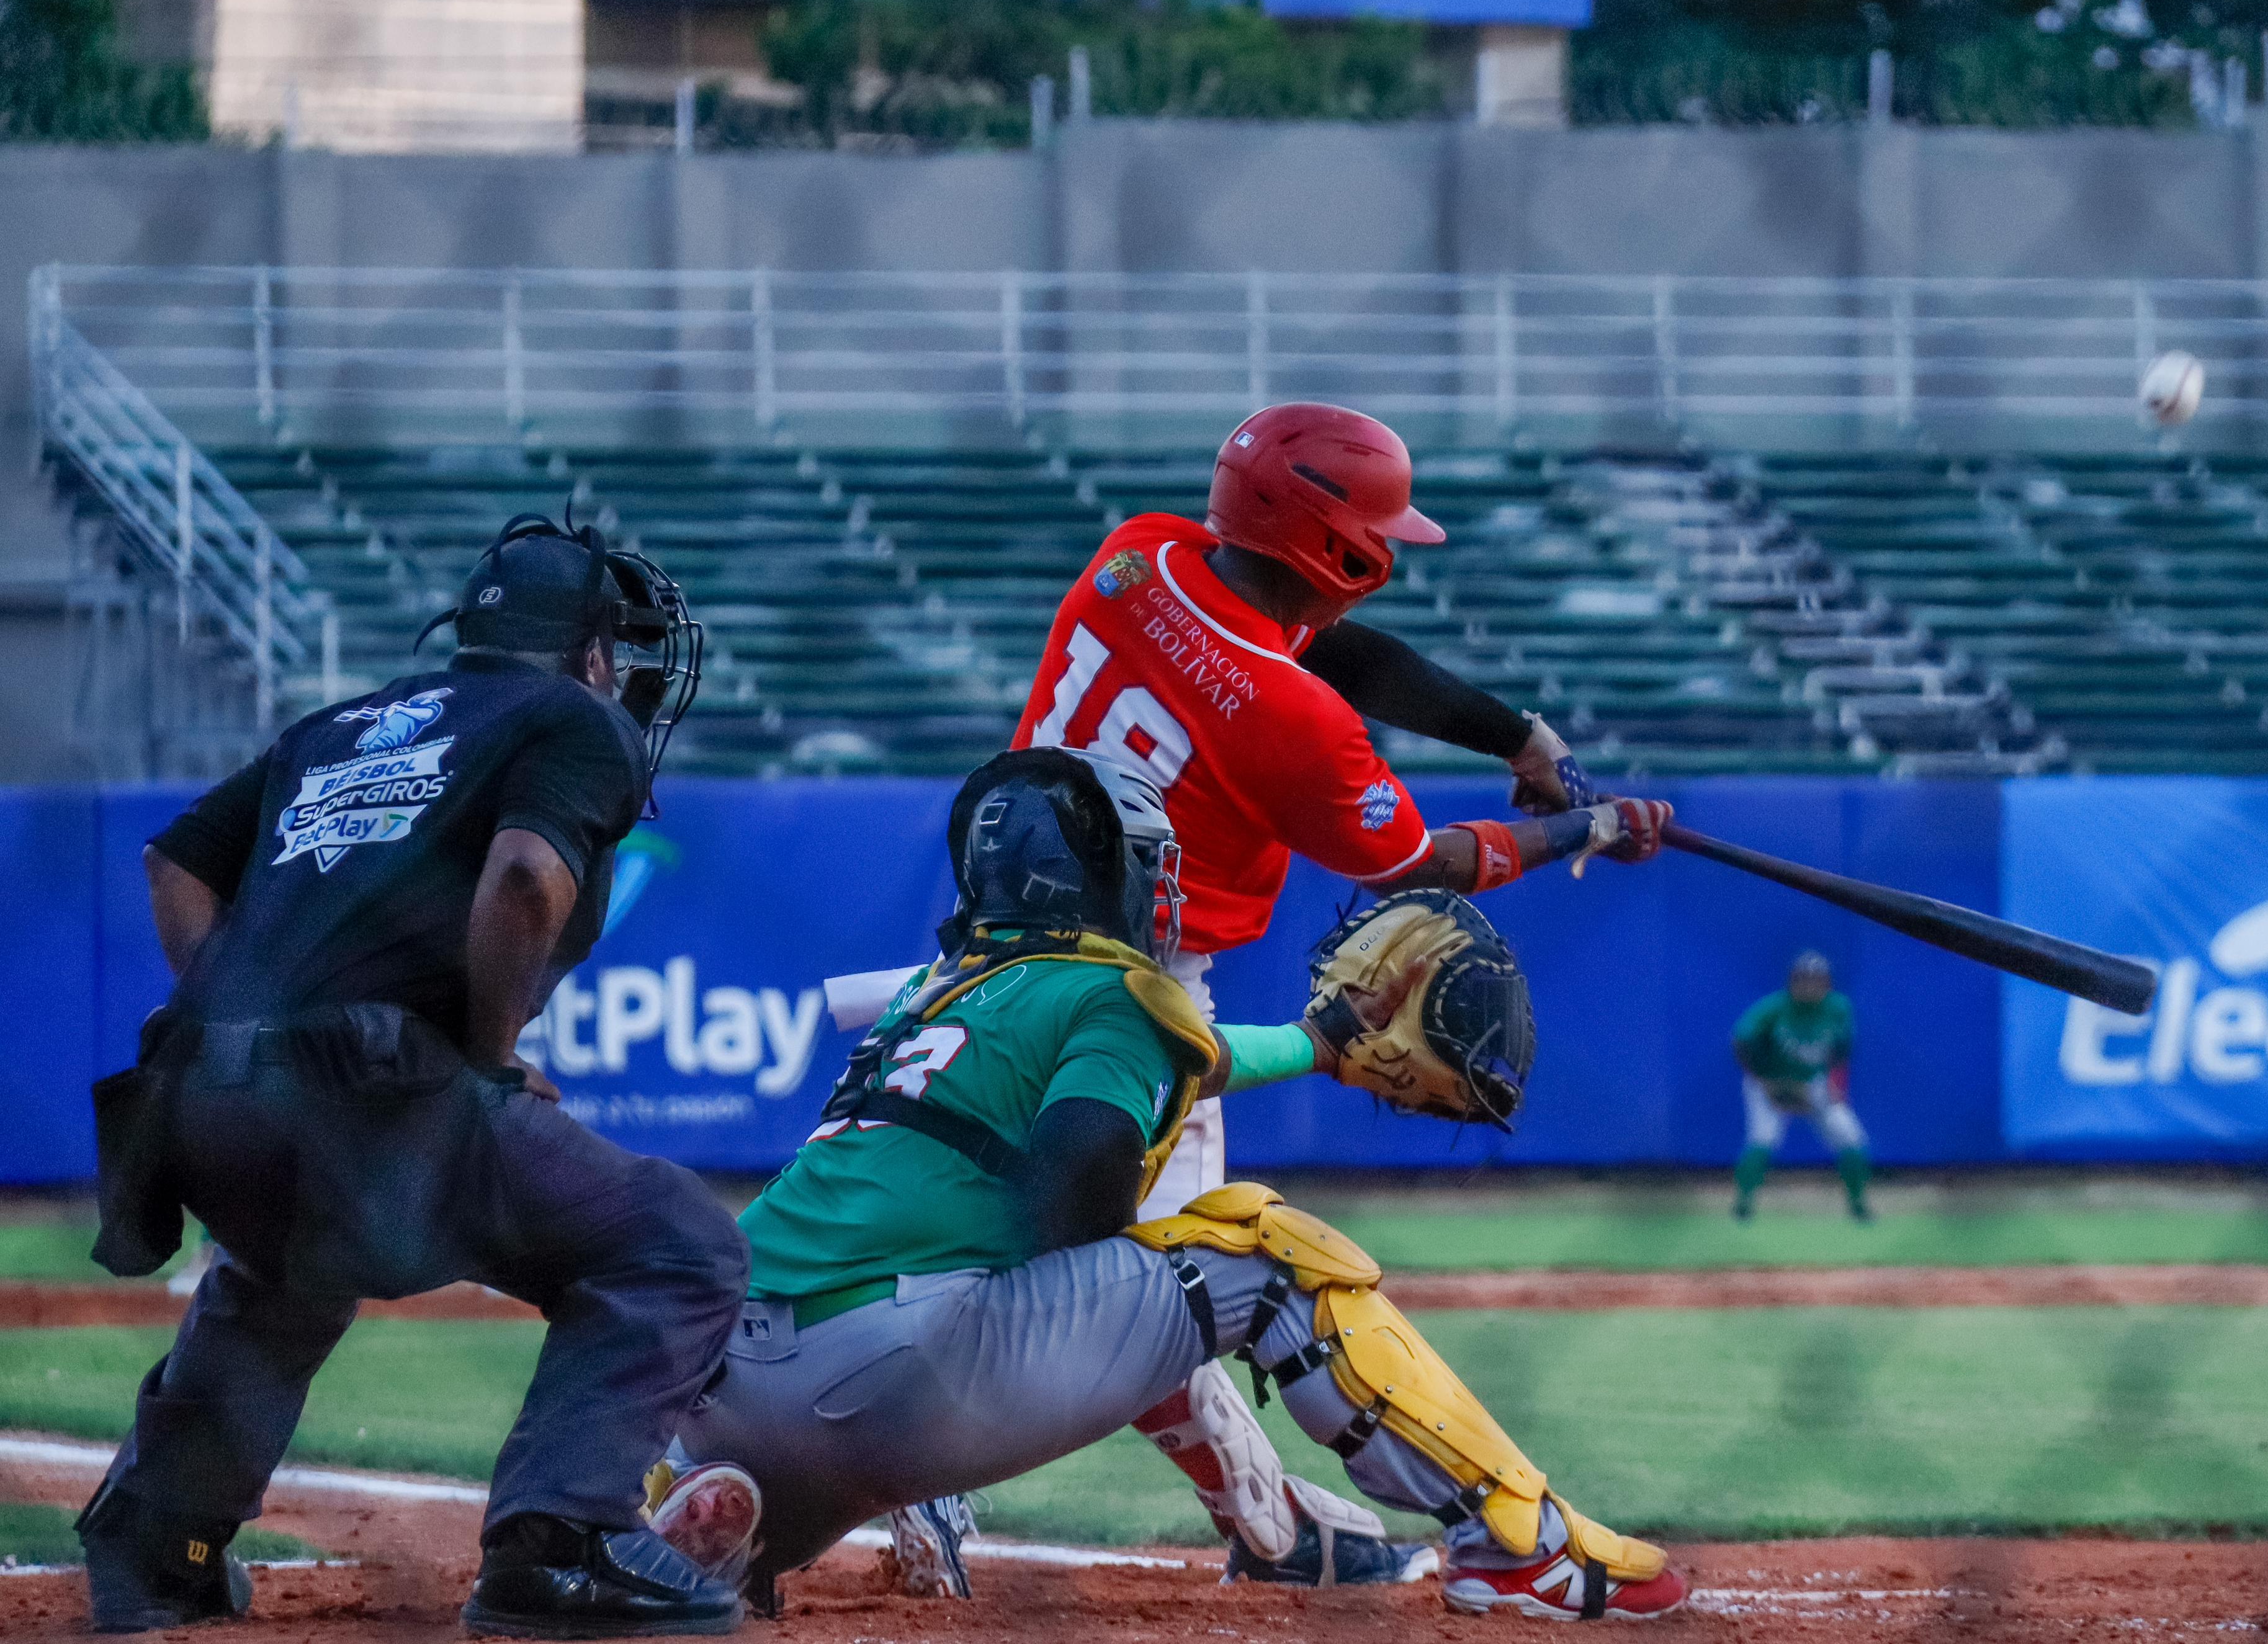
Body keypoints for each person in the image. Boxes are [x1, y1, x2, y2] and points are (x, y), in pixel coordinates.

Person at [643, 748, 1690, 1622]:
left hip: (721, 1382)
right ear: (1106, 876)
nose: (1165, 887)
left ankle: (729, 1532)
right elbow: (1080, 1182)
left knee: (811, 1433)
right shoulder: (1118, 990)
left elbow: (1190, 1052)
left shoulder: (930, 995)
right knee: (1265, 1250)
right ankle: (1517, 1544)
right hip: (895, 1380)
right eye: (1154, 865)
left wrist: (1320, 1043)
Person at [981, 401, 1674, 1584]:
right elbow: (1414, 860)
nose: (1389, 549)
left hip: (989, 957)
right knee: (1183, 1276)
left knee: (1043, 1249)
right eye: (1375, 530)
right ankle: (1410, 1535)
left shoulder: (1140, 553)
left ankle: (1264, 1526)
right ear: (1335, 542)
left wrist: (1517, 734)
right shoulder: (1287, 717)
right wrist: (1584, 828)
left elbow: (1319, 643)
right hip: (1135, 1004)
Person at [78, 515, 750, 1638]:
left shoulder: (339, 723)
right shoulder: (574, 719)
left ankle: (155, 1543)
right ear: (590, 651)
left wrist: (244, 1023)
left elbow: (174, 863)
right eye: (616, 652)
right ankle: (559, 1542)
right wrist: (487, 1062)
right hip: (375, 1100)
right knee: (679, 1242)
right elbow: (528, 876)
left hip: (188, 1105)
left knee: (288, 1261)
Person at [1728, 952, 1872, 1223]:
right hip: (1769, 1082)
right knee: (1763, 1139)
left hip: (1813, 1083)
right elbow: (1741, 1040)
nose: (1810, 986)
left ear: (1827, 983)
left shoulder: (1838, 1008)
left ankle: (1858, 1206)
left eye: (1816, 980)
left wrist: (1836, 1085)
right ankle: (1743, 1206)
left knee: (1851, 1138)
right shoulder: (1775, 1008)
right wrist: (1762, 1079)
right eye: (1804, 980)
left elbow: (1841, 1051)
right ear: (1792, 982)